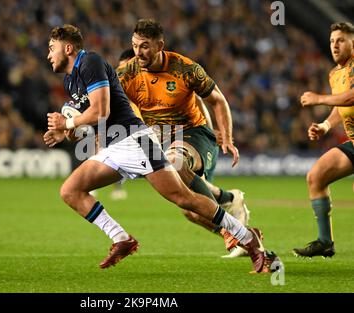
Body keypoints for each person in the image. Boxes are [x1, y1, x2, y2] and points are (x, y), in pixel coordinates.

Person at [44, 24, 277, 273]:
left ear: (67, 48)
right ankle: (122, 239)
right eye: (135, 46)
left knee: (184, 199)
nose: (48, 55)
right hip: (117, 145)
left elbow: (101, 111)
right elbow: (87, 122)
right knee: (70, 190)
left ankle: (250, 241)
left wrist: (67, 122)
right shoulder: (72, 80)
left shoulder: (89, 61)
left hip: (138, 140)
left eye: (51, 48)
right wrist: (67, 131)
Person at [116, 19, 249, 258]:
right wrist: (70, 122)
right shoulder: (129, 73)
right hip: (162, 140)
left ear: (160, 45)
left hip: (195, 134)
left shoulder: (184, 69)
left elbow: (216, 100)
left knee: (175, 161)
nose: (138, 52)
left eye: (145, 46)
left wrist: (226, 137)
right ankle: (231, 204)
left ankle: (234, 231)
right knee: (189, 209)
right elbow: (102, 99)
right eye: (135, 46)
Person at [294, 22, 354, 258]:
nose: (335, 45)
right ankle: (324, 241)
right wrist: (326, 125)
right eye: (331, 41)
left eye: (340, 40)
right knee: (316, 176)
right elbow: (342, 106)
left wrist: (318, 98)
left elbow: (351, 97)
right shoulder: (334, 74)